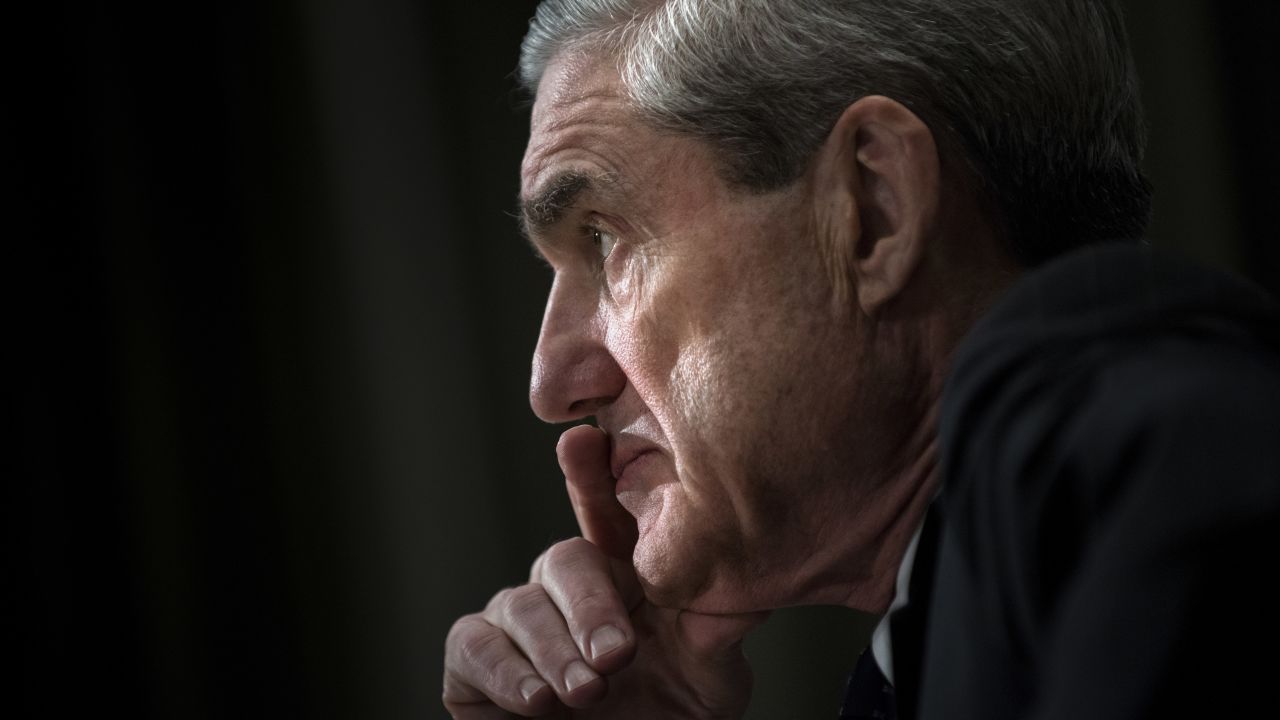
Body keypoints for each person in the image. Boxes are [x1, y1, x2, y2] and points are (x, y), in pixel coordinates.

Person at [443, 1, 1280, 718]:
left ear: (873, 211)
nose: (552, 384)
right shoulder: (1003, 583)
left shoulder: (1163, 467)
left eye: (605, 239)